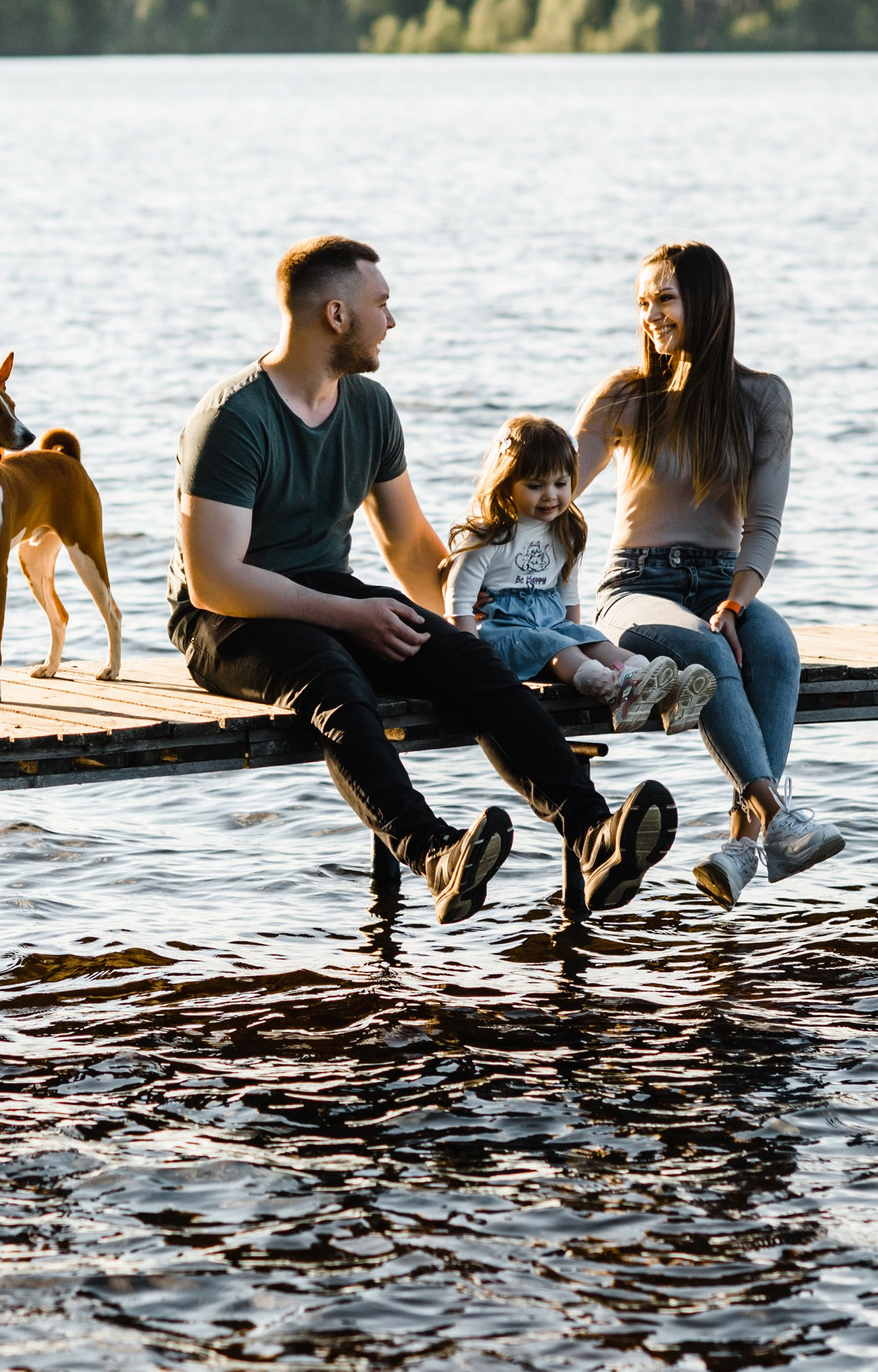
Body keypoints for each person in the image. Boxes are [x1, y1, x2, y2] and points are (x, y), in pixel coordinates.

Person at [169, 234, 678, 923]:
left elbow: (410, 546)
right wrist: (350, 617)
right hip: (224, 618)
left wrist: (493, 618)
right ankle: (434, 851)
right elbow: (214, 580)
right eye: (382, 304)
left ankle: (594, 835)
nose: (392, 320)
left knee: (464, 656)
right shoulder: (233, 418)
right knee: (329, 674)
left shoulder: (370, 408)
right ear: (337, 315)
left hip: (320, 589)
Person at [574, 241, 844, 908]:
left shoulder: (762, 398)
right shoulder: (626, 396)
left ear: (707, 301)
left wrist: (737, 599)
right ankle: (776, 819)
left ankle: (740, 844)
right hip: (634, 588)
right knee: (701, 649)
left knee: (776, 646)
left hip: (722, 582)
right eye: (642, 303)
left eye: (663, 298)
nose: (651, 316)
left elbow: (764, 522)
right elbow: (551, 488)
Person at [444, 413, 704, 735]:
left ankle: (664, 686)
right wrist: (474, 660)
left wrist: (579, 635)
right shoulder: (490, 535)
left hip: (552, 625)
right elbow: (459, 600)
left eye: (560, 484)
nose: (550, 495)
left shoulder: (564, 532)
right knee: (561, 647)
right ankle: (614, 690)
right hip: (505, 633)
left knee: (594, 642)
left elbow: (569, 595)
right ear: (507, 481)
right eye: (535, 485)